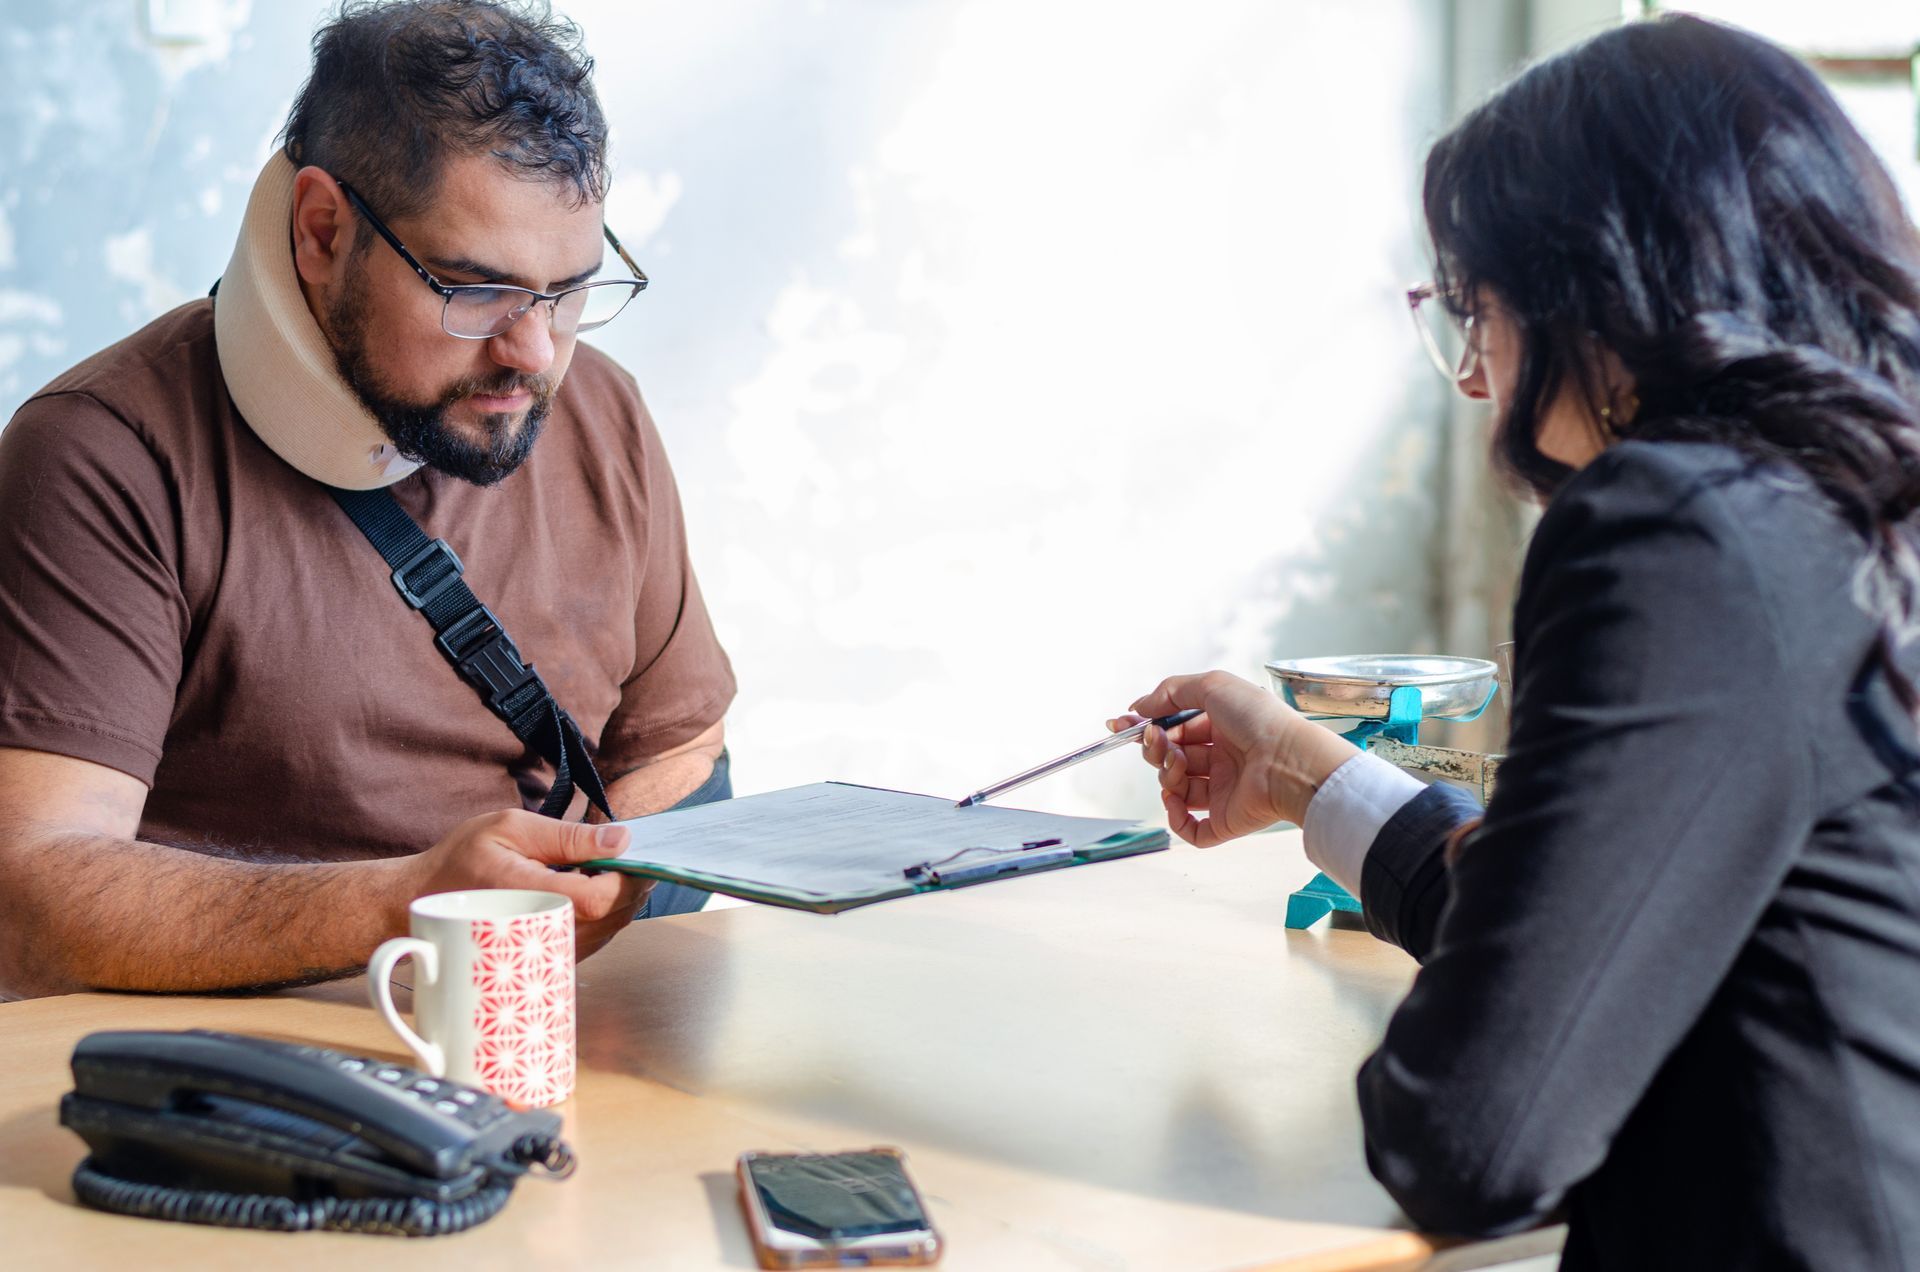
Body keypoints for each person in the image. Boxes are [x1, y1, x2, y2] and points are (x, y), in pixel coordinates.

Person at [1114, 15, 1920, 1269]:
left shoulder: (1678, 529)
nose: (1478, 379)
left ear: (1602, 293)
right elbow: (1601, 927)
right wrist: (1294, 764)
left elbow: (1473, 1134)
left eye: (1476, 310)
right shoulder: (1853, 521)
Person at [0, 1, 736, 999]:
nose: (534, 354)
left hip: (537, 1041)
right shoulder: (103, 455)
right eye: (477, 292)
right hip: (243, 1087)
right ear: (320, 230)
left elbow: (683, 747)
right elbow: (29, 899)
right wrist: (415, 906)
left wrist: (575, 934)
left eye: (568, 291)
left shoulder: (601, 410)